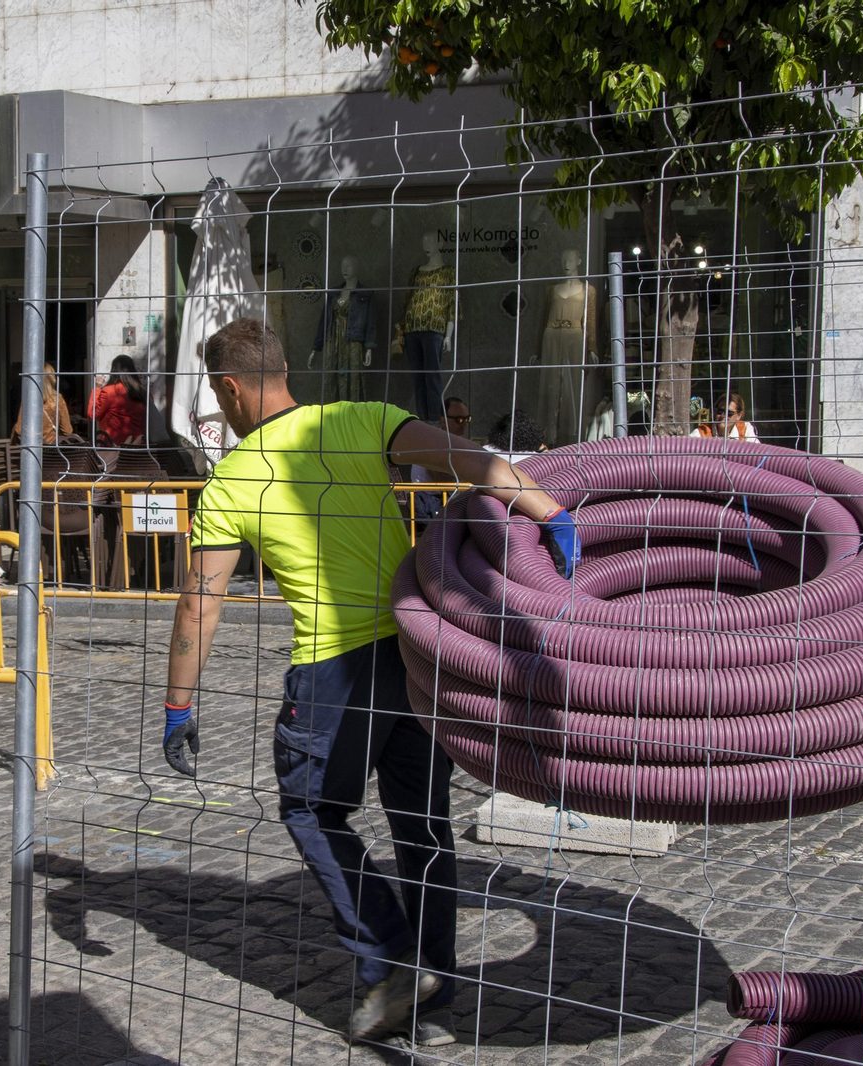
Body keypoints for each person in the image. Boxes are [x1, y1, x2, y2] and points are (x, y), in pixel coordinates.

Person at [158, 319, 580, 1046]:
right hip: (415, 654)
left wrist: (177, 705)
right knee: (423, 827)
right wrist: (550, 510)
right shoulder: (366, 419)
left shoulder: (230, 482)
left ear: (229, 388)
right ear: (285, 368)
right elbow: (469, 458)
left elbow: (201, 601)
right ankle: (435, 992)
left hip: (330, 671)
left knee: (310, 811)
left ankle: (389, 963)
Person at [409, 396, 473, 525]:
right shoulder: (432, 441)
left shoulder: (457, 443)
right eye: (459, 420)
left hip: (445, 502)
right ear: (443, 421)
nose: (464, 424)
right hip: (429, 504)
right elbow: (443, 478)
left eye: (467, 419)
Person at [87, 355, 147, 445]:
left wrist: (97, 389)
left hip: (113, 448)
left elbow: (92, 414)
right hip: (139, 446)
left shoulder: (109, 392)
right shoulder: (144, 393)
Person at [12, 362, 74, 445]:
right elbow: (67, 431)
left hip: (32, 450)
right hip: (51, 450)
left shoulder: (29, 399)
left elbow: (19, 429)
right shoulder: (58, 400)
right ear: (52, 378)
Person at [694, 392, 759, 442]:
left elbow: (759, 453)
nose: (723, 416)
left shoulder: (745, 429)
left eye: (729, 413)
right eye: (720, 411)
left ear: (739, 415)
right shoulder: (703, 431)